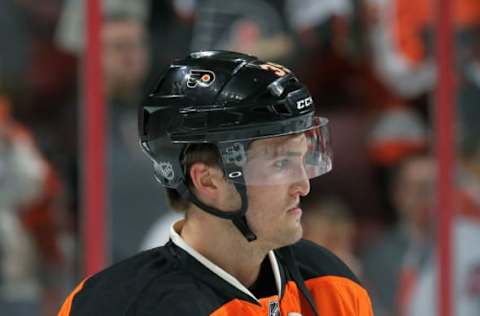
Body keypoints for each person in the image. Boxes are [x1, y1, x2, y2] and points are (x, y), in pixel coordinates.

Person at [58, 51, 374, 315]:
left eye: (302, 158)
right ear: (208, 180)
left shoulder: (330, 284)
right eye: (280, 163)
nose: (303, 185)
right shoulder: (115, 305)